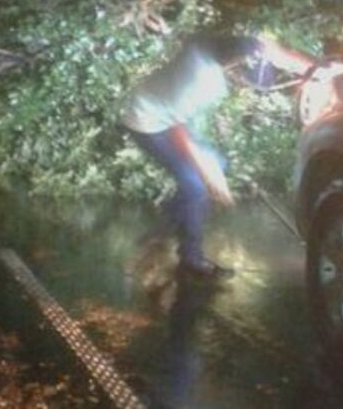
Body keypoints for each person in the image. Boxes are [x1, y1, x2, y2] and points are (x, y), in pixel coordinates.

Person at [121, 30, 313, 281]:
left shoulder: (216, 46)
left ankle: (165, 226)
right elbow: (180, 136)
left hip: (165, 111)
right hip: (147, 122)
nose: (242, 85)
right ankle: (191, 260)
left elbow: (273, 51)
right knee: (196, 186)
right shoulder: (201, 81)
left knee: (218, 164)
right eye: (244, 79)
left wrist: (314, 69)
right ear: (233, 65)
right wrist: (211, 176)